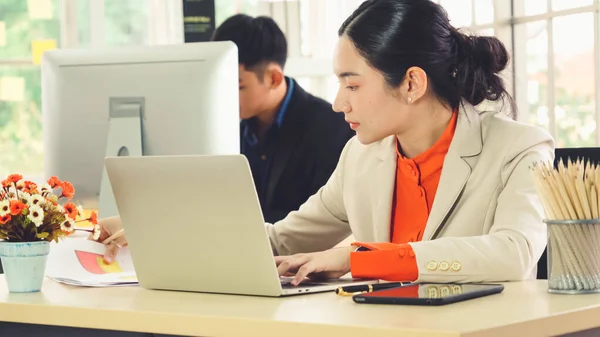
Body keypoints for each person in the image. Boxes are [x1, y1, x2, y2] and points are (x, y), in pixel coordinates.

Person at [95, 0, 554, 286]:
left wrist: (359, 259)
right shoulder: (363, 156)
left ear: (412, 83)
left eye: (352, 86)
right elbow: (278, 238)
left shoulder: (520, 149)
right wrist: (160, 229)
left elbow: (511, 254)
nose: (337, 103)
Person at [211, 14, 354, 224]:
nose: (225, 96)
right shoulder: (224, 128)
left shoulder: (333, 128)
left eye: (238, 86)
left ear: (273, 78)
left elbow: (328, 222)